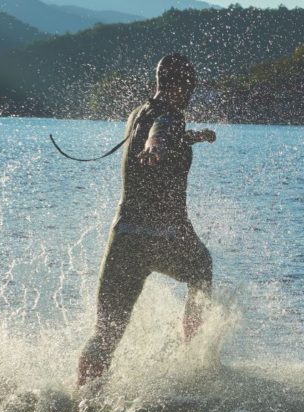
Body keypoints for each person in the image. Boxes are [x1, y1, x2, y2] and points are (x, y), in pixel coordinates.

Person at [77, 54, 216, 388]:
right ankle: (194, 360)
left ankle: (80, 398)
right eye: (191, 87)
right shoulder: (169, 117)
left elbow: (157, 131)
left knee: (106, 333)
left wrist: (191, 137)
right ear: (181, 86)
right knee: (202, 267)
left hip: (124, 237)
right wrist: (157, 145)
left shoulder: (137, 113)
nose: (191, 94)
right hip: (163, 236)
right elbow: (160, 133)